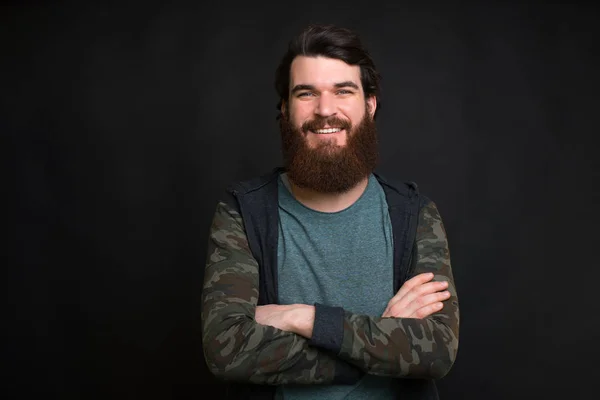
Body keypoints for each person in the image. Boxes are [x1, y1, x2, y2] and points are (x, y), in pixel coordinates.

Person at [201, 23, 459, 399]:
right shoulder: (244, 213)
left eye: (343, 91)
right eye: (307, 93)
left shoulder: (414, 215)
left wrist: (303, 318)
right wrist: (380, 339)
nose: (325, 110)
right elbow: (226, 350)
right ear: (286, 109)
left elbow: (436, 352)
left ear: (369, 105)